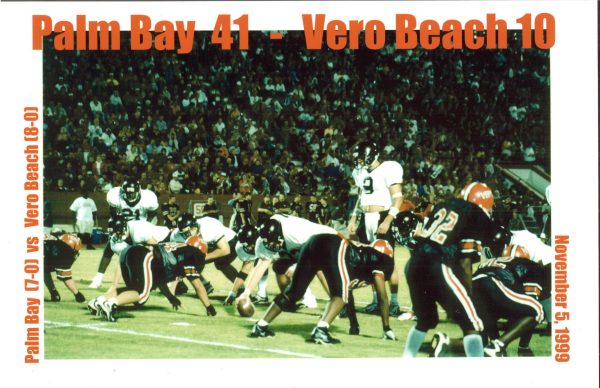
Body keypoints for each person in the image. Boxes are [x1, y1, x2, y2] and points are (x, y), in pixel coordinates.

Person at [402, 182, 503, 357]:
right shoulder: (476, 214)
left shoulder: (444, 205)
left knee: (426, 320)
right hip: (437, 265)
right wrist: (468, 293)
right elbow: (465, 261)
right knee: (473, 324)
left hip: (414, 264)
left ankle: (406, 359)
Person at [246, 234, 397, 344]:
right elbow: (382, 297)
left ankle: (260, 326)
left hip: (314, 241)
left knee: (295, 292)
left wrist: (354, 324)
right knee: (340, 295)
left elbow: (347, 290)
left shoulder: (363, 257)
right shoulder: (383, 261)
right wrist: (386, 328)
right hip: (334, 245)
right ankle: (321, 330)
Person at [431, 243, 549, 357]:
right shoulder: (529, 264)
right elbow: (531, 304)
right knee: (537, 309)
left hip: (473, 289)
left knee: (480, 344)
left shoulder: (489, 262)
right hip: (492, 284)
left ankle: (447, 343)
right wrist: (523, 346)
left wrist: (495, 339)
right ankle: (498, 346)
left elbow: (490, 315)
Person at [88, 235, 216, 322]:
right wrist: (209, 307)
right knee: (142, 295)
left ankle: (98, 301)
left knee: (133, 290)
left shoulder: (179, 249)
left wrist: (171, 298)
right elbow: (198, 285)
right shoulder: (193, 254)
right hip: (145, 256)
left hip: (130, 252)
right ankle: (112, 304)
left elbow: (160, 280)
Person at [346, 141, 404, 316]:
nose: (360, 161)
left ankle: (393, 303)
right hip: (366, 217)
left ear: (372, 155)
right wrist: (354, 216)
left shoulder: (388, 168)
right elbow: (361, 195)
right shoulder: (361, 172)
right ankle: (375, 300)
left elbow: (398, 198)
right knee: (369, 260)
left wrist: (388, 220)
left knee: (388, 261)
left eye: (363, 157)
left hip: (382, 216)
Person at [236, 214, 340, 310]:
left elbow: (315, 257)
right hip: (304, 246)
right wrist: (246, 292)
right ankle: (290, 300)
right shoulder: (266, 237)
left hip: (329, 240)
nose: (271, 246)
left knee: (318, 268)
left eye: (274, 243)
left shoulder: (295, 233)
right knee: (279, 266)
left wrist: (296, 267)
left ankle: (338, 301)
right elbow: (260, 267)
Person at [89, 179, 158, 288]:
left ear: (138, 191)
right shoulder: (116, 197)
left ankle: (154, 279)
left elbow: (154, 214)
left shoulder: (147, 198)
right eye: (127, 193)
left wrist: (147, 227)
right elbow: (113, 213)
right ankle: (98, 278)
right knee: (109, 248)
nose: (129, 195)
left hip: (141, 228)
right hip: (124, 227)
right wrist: (116, 226)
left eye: (132, 193)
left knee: (150, 253)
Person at [44, 233, 86, 303]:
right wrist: (78, 295)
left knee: (44, 269)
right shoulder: (64, 250)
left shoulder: (55, 244)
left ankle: (53, 292)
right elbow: (65, 276)